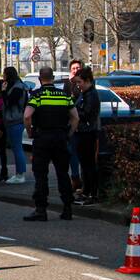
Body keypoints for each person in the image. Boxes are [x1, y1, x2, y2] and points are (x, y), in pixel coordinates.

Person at [23, 66, 79, 221]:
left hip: (42, 138)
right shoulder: (63, 95)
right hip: (60, 138)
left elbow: (27, 116)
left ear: (40, 79)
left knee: (41, 175)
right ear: (53, 78)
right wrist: (69, 133)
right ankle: (67, 209)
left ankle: (41, 210)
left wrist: (30, 132)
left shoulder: (37, 95)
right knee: (63, 173)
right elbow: (75, 117)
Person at [73, 67, 101, 205]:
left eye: (80, 82)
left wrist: (75, 113)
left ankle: (92, 193)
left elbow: (88, 113)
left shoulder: (91, 95)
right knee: (84, 164)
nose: (78, 85)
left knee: (89, 164)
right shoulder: (84, 94)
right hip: (82, 132)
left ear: (87, 81)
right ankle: (86, 191)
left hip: (87, 132)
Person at [2, 66, 29, 184]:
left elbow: (9, 102)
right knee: (16, 147)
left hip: (15, 119)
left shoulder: (16, 88)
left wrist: (4, 91)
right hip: (15, 119)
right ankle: (19, 173)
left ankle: (20, 174)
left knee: (17, 147)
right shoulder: (19, 86)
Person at [64, 59, 84, 193]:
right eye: (73, 68)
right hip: (72, 124)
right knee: (72, 153)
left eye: (78, 68)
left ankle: (82, 179)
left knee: (82, 153)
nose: (76, 70)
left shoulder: (83, 84)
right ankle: (75, 178)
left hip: (82, 125)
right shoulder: (67, 84)